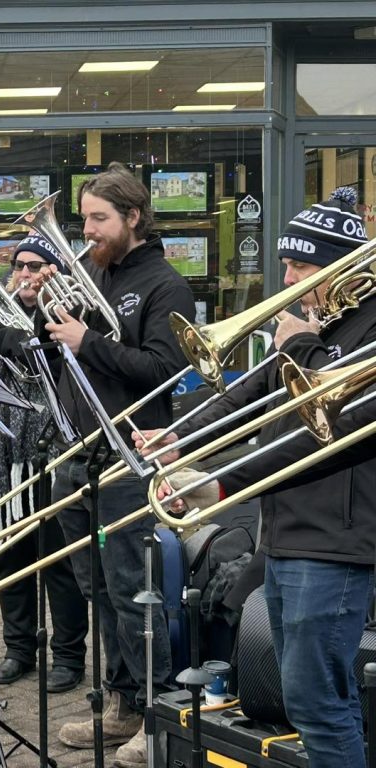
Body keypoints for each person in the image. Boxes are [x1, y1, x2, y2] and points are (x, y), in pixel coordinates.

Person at [138, 187, 374, 768]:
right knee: (303, 699)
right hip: (288, 534)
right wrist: (181, 439)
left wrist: (220, 484)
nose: (287, 279)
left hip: (337, 542)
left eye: (301, 267)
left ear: (342, 268)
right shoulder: (319, 322)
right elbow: (248, 392)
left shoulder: (362, 332)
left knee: (319, 703)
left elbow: (332, 427)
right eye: (286, 264)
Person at [30, 162, 195, 768]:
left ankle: (156, 719)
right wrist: (40, 310)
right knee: (96, 588)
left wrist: (89, 341)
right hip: (79, 454)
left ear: (133, 216)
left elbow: (164, 371)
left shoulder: (165, 286)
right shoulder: (93, 272)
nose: (87, 231)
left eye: (99, 219)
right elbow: (60, 357)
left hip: (130, 460)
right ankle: (124, 703)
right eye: (83, 219)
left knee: (134, 591)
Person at [0, 235, 88, 691]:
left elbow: (58, 364)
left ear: (54, 272)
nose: (25, 274)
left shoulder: (72, 315)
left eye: (36, 266)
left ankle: (69, 656)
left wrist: (18, 339)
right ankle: (18, 650)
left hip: (53, 451)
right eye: (18, 266)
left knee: (59, 561)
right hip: (3, 454)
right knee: (8, 556)